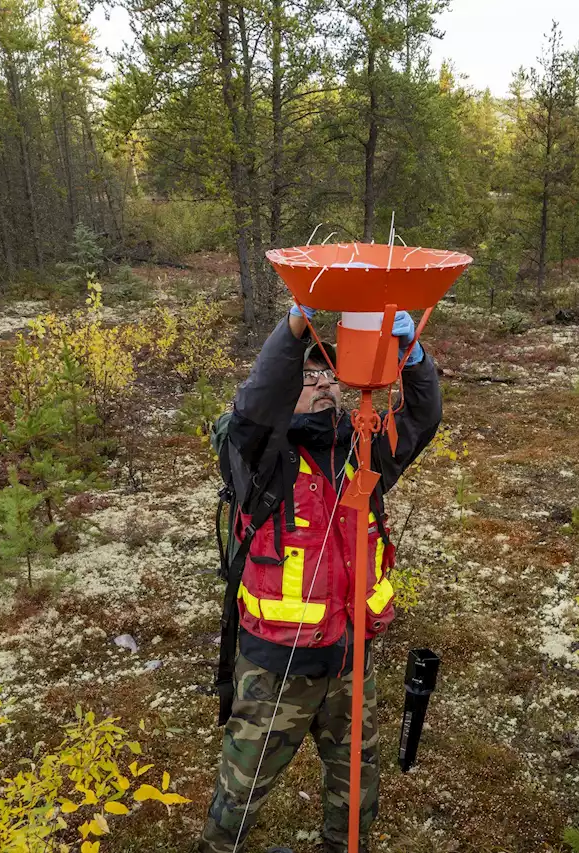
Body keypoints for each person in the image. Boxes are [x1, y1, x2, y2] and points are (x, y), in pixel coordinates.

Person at [199, 304, 443, 853]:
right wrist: (290, 333)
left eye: (331, 374)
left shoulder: (364, 451)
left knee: (357, 787)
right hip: (274, 667)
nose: (323, 385)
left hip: (351, 660)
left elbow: (422, 419)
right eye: (308, 376)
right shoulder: (255, 454)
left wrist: (416, 358)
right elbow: (254, 409)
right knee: (239, 795)